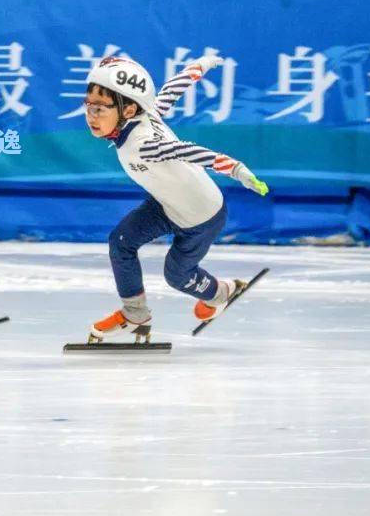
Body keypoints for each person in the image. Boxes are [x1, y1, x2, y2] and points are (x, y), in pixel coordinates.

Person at [82, 55, 270, 343]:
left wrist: (237, 169)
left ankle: (223, 292)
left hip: (202, 217)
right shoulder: (146, 113)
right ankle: (135, 314)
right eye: (88, 106)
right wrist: (200, 67)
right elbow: (172, 89)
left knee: (177, 275)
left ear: (129, 108)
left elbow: (190, 151)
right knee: (121, 241)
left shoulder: (145, 145)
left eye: (99, 108)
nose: (91, 116)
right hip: (166, 205)